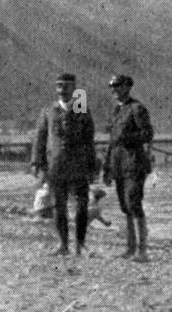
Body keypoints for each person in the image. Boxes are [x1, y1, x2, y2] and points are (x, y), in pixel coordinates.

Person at [31, 72, 98, 256]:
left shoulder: (82, 110)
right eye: (59, 86)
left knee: (82, 206)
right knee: (58, 206)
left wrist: (92, 165)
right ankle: (62, 245)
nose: (62, 90)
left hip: (79, 165)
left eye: (67, 86)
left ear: (74, 88)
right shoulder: (48, 110)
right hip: (56, 166)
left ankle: (81, 244)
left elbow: (89, 140)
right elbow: (39, 138)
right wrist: (36, 161)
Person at [103, 74, 154, 262]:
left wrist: (128, 138)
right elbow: (112, 142)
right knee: (125, 207)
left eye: (117, 85)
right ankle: (130, 248)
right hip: (118, 165)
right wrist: (107, 168)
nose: (113, 89)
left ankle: (142, 251)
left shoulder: (137, 108)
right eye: (111, 86)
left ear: (127, 87)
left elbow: (148, 134)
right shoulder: (117, 110)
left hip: (134, 164)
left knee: (134, 204)